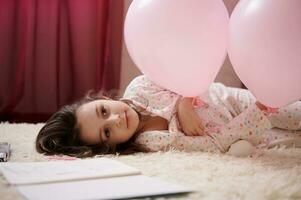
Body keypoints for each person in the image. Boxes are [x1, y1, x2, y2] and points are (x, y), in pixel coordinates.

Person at [36, 75, 301, 158]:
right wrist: (259, 113)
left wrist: (185, 102)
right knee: (291, 145)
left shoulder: (141, 85)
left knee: (295, 112)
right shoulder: (153, 141)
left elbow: (193, 70)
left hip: (231, 100)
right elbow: (213, 145)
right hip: (243, 129)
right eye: (107, 131)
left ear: (103, 99)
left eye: (104, 111)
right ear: (111, 145)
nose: (115, 120)